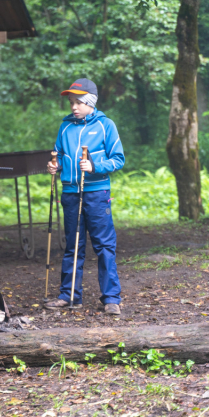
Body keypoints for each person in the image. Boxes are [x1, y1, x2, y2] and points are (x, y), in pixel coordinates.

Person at [45, 78, 125, 315]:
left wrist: (94, 166)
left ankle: (111, 298)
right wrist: (55, 166)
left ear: (90, 102)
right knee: (73, 246)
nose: (73, 106)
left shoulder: (105, 125)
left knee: (104, 246)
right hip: (70, 194)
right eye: (71, 102)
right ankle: (69, 296)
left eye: (78, 102)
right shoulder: (65, 127)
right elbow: (58, 155)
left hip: (97, 194)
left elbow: (118, 159)